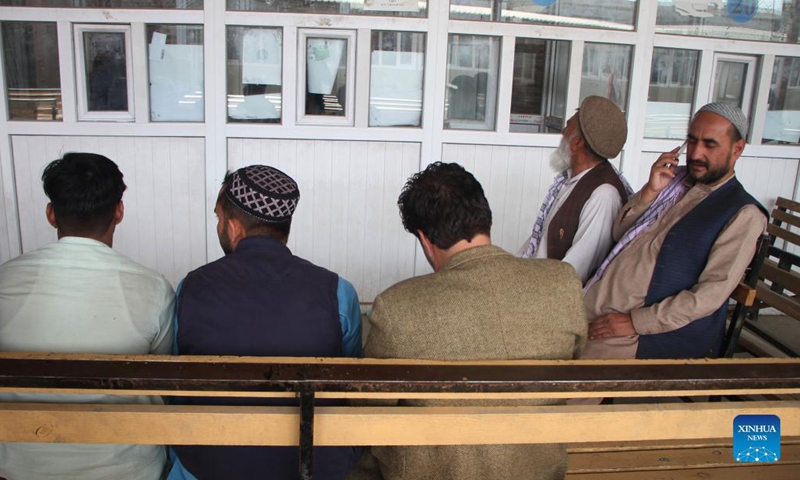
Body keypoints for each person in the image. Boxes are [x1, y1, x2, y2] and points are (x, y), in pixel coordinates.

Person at [349, 162, 587, 480]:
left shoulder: (398, 307)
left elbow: (368, 407)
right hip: (538, 468)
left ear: (424, 239)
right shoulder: (562, 282)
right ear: (484, 217)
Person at [169, 165, 362, 480]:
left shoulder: (191, 288)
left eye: (218, 218)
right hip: (313, 464)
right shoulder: (337, 291)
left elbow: (177, 375)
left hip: (210, 464)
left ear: (233, 228)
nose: (218, 226)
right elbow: (350, 377)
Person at [0, 152, 175, 480]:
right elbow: (163, 376)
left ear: (51, 214)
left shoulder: (5, 281)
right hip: (129, 469)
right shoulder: (152, 289)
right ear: (119, 212)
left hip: (19, 466)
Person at [582, 103, 768, 360]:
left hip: (641, 332)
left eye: (709, 144)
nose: (696, 153)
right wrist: (650, 191)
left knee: (565, 387)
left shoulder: (743, 214)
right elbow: (619, 232)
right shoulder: (675, 182)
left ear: (737, 149)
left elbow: (708, 297)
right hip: (596, 300)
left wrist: (634, 322)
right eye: (691, 141)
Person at [520, 95, 632, 284]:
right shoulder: (572, 180)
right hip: (534, 284)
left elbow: (575, 271)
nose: (562, 132)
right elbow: (537, 243)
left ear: (577, 142)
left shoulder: (604, 195)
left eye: (567, 127)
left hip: (552, 300)